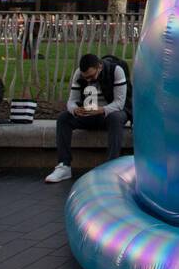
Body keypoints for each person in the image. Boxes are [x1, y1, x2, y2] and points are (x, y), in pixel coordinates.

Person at [45, 53, 128, 183]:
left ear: (99, 67)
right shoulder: (79, 73)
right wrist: (75, 109)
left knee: (116, 118)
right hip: (89, 114)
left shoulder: (116, 71)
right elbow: (71, 101)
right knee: (63, 118)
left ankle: (111, 167)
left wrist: (100, 110)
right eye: (85, 78)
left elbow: (119, 103)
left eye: (91, 76)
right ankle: (64, 166)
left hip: (110, 113)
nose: (88, 80)